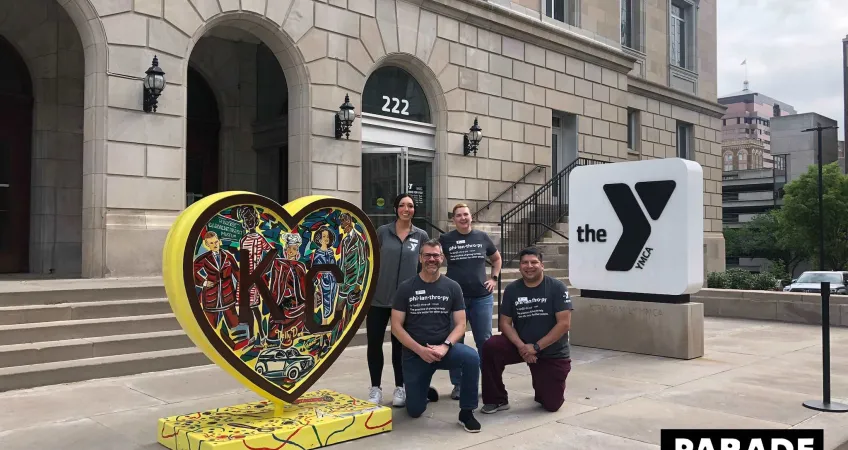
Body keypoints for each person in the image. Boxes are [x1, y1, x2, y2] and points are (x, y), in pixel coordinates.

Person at [391, 239, 482, 432]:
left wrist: (445, 345)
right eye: (427, 255)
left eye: (435, 255)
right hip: (416, 354)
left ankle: (466, 412)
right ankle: (423, 390)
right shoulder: (406, 287)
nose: (431, 259)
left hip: (443, 350)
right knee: (414, 411)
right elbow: (396, 327)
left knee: (472, 357)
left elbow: (460, 324)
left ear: (442, 258)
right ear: (420, 258)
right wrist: (420, 350)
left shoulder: (452, 287)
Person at [479, 247, 573, 414]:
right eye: (525, 263)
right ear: (520, 266)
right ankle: (496, 399)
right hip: (521, 346)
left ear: (542, 265)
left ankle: (542, 382)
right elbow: (505, 323)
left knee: (551, 404)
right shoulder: (513, 290)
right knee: (491, 346)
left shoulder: (557, 288)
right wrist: (523, 347)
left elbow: (564, 324)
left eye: (534, 262)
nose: (529, 266)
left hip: (551, 351)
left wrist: (536, 347)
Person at [367, 194, 429, 407]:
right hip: (377, 300)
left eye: (410, 206)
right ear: (395, 209)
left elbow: (424, 268)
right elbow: (371, 260)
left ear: (414, 210)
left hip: (404, 303)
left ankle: (400, 387)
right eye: (402, 205)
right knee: (374, 344)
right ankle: (375, 387)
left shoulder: (421, 235)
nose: (406, 209)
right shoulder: (383, 232)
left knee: (400, 347)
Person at [439, 203, 502, 400]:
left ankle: (488, 383)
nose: (463, 218)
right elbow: (433, 260)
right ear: (453, 220)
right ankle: (458, 384)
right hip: (455, 300)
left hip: (481, 298)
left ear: (471, 217)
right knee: (456, 341)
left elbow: (497, 259)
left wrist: (494, 278)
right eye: (459, 215)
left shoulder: (482, 237)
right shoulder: (445, 240)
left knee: (484, 341)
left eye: (466, 214)